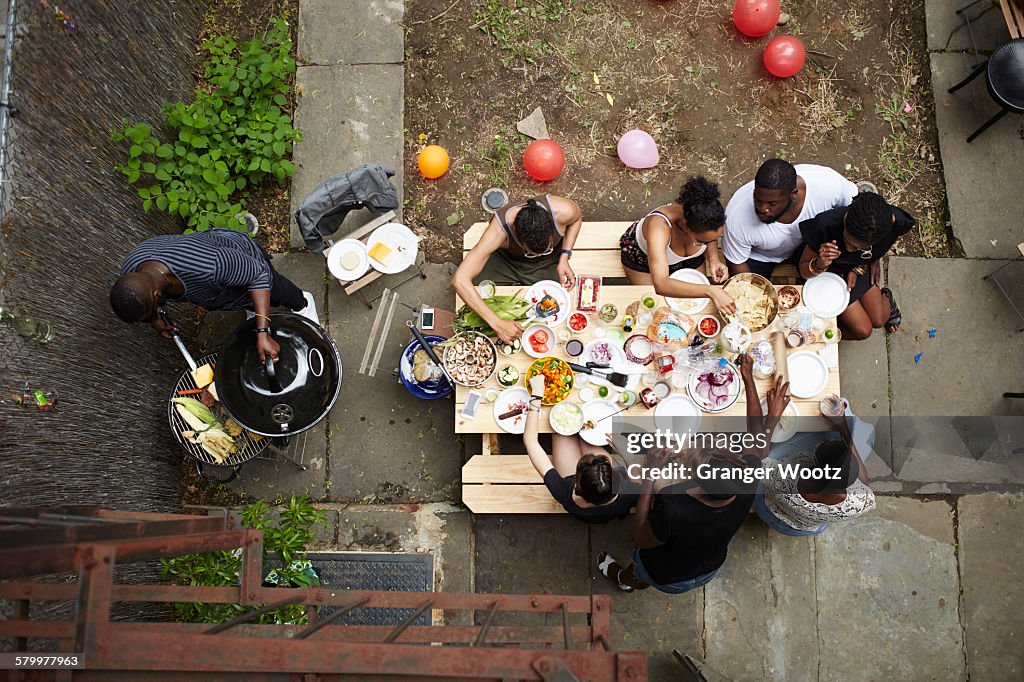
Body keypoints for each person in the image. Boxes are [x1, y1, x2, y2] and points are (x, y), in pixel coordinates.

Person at [596, 364, 790, 594]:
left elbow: (638, 536)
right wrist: (753, 386)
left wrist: (649, 474)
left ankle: (626, 580)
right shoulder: (747, 476)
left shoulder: (674, 508)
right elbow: (759, 442)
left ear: (696, 481)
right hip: (711, 564)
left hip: (670, 575)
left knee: (640, 573)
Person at [110, 229, 318, 362]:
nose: (152, 317)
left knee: (276, 290)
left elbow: (259, 275)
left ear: (156, 294)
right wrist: (154, 319)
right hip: (224, 279)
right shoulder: (132, 270)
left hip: (244, 260)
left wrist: (263, 332)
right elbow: (145, 303)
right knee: (244, 298)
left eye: (151, 312)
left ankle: (303, 304)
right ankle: (251, 306)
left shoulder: (210, 266)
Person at [452, 194, 582, 344]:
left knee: (557, 298)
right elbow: (460, 280)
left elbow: (576, 219)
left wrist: (565, 255)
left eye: (546, 248)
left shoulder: (564, 210)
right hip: (508, 260)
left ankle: (544, 256)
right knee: (477, 287)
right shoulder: (499, 231)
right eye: (530, 252)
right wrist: (497, 323)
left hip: (549, 261)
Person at [522, 374, 641, 523]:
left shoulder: (562, 491)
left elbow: (530, 440)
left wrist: (537, 393)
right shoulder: (631, 491)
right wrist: (628, 456)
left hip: (585, 504)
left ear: (577, 483)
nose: (591, 456)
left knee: (561, 431)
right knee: (585, 435)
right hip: (609, 508)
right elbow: (641, 481)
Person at [797, 192, 913, 340]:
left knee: (878, 320)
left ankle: (886, 296)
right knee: (863, 331)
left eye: (860, 248)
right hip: (827, 276)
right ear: (845, 222)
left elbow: (883, 246)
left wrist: (869, 261)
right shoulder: (825, 225)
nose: (851, 250)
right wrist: (821, 262)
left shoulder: (893, 223)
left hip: (859, 269)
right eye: (849, 242)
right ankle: (819, 335)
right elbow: (803, 271)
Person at [722, 160, 858, 279]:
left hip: (808, 244)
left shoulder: (828, 184)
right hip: (761, 257)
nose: (762, 208)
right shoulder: (736, 217)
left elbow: (859, 209)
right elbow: (737, 263)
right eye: (757, 199)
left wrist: (862, 262)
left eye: (772, 203)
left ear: (793, 194)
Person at [619, 176, 736, 315]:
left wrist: (713, 259)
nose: (708, 243)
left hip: (686, 260)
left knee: (694, 309)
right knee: (652, 307)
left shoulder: (703, 215)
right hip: (643, 260)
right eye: (702, 242)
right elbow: (661, 284)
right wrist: (711, 290)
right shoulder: (658, 228)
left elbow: (710, 238)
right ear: (686, 227)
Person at [755, 425, 875, 536]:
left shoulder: (789, 478)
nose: (827, 441)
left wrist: (772, 418)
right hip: (810, 527)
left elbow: (757, 461)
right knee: (868, 432)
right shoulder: (859, 500)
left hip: (775, 516)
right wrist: (843, 427)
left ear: (815, 468)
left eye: (820, 448)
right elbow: (864, 484)